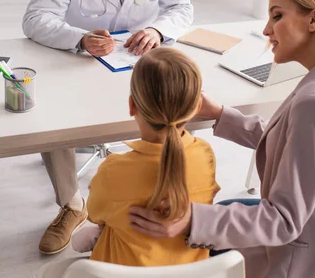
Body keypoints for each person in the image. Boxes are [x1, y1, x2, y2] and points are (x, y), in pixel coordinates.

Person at [129, 0, 315, 278]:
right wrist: (220, 114)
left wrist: (190, 218)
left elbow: (283, 221)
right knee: (226, 208)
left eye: (277, 15)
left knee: (192, 241)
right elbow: (293, 144)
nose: (266, 30)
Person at [22, 0, 193, 255]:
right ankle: (72, 206)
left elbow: (181, 8)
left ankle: (164, 195)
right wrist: (79, 39)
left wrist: (158, 31)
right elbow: (35, 18)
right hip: (78, 58)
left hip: (134, 59)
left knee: (177, 93)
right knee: (51, 114)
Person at [72, 48, 220, 265]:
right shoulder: (205, 155)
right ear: (198, 106)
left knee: (83, 239)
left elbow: (95, 214)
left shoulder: (113, 171)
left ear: (132, 106)